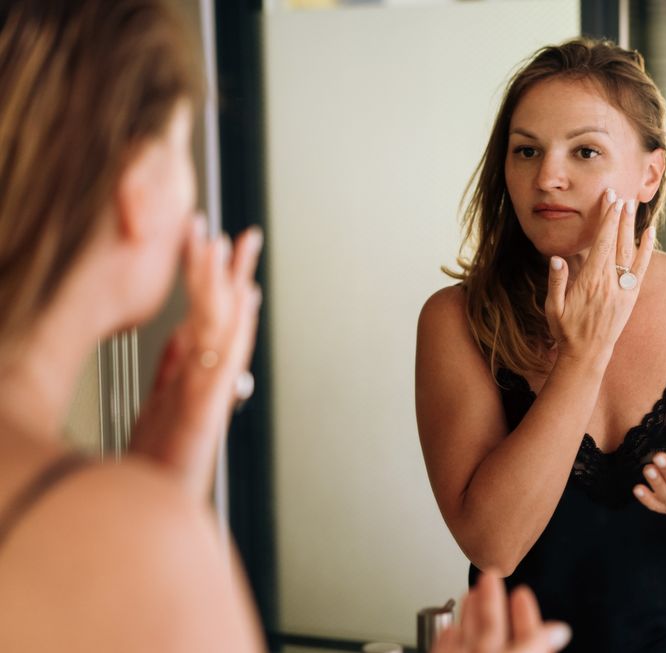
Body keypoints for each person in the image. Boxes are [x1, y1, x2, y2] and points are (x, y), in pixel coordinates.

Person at [0, 2, 565, 651]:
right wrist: (152, 523)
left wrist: (161, 484)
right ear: (138, 190)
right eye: (181, 146)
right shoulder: (129, 540)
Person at [416, 38, 666, 652]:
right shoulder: (457, 320)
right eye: (526, 150)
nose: (547, 177)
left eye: (584, 151)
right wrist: (583, 356)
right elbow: (495, 545)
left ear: (649, 174)